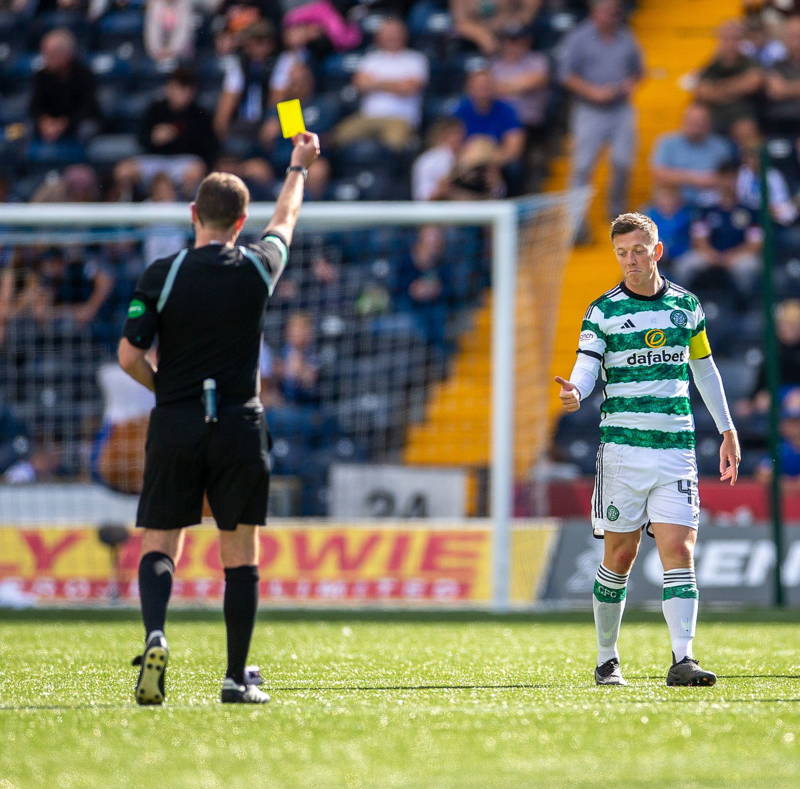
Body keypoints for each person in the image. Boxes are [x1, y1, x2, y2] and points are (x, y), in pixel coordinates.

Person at [117, 130, 320, 705]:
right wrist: (297, 167)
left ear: (193, 215)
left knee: (162, 541)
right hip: (238, 422)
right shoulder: (258, 268)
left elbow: (129, 354)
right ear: (240, 221)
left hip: (178, 420)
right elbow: (285, 223)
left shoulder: (163, 273)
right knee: (240, 551)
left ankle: (156, 634)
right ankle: (235, 677)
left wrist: (168, 391)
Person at [554, 211, 740, 687]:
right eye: (621, 253)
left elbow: (704, 370)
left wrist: (727, 428)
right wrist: (575, 391)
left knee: (680, 549)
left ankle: (683, 659)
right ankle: (606, 656)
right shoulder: (603, 311)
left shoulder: (686, 306)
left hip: (676, 450)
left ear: (657, 251)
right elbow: (586, 364)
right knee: (619, 557)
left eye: (638, 250)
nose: (630, 260)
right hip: (622, 451)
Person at [559, 0, 643, 223]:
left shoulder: (626, 37)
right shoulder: (579, 37)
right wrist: (592, 91)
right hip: (590, 109)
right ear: (594, 12)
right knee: (582, 166)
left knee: (623, 162)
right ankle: (575, 223)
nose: (612, 16)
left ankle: (617, 213)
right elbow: (565, 74)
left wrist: (629, 84)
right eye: (607, 12)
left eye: (615, 12)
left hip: (620, 108)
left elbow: (639, 72)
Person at [333, 17, 428, 151]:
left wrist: (375, 83)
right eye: (388, 33)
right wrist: (395, 84)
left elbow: (408, 88)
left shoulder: (415, 59)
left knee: (394, 144)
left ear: (404, 34)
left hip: (401, 119)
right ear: (379, 36)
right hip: (368, 117)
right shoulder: (371, 59)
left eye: (396, 32)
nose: (392, 36)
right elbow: (359, 84)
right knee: (339, 136)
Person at [453, 69, 525, 193]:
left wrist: (492, 161)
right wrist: (471, 158)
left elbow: (514, 148)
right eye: (479, 86)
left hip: (497, 158)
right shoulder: (460, 110)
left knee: (514, 168)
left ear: (494, 87)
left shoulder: (507, 111)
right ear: (469, 88)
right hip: (468, 157)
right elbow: (453, 143)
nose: (483, 90)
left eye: (486, 86)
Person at [650, 103, 732, 208]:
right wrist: (696, 179)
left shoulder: (721, 147)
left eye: (701, 122)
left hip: (712, 204)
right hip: (673, 204)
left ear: (709, 124)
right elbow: (659, 174)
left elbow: (729, 178)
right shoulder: (667, 143)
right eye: (692, 121)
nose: (697, 126)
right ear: (683, 121)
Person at [28, 28, 99, 149]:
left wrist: (64, 123)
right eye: (45, 53)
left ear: (67, 54)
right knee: (19, 130)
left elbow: (87, 106)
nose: (46, 58)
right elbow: (34, 105)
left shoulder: (84, 74)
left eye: (51, 54)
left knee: (87, 129)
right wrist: (44, 121)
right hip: (49, 122)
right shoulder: (41, 75)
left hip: (77, 121)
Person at [694, 20, 762, 134]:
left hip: (743, 114)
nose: (730, 43)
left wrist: (718, 88)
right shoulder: (711, 65)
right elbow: (703, 92)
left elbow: (752, 83)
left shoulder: (750, 62)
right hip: (714, 115)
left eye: (735, 39)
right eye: (725, 39)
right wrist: (737, 87)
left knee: (746, 129)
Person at [764, 15, 800, 135]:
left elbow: (782, 90)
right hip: (783, 123)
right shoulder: (775, 65)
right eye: (792, 36)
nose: (796, 41)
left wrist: (786, 88)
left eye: (798, 36)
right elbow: (776, 91)